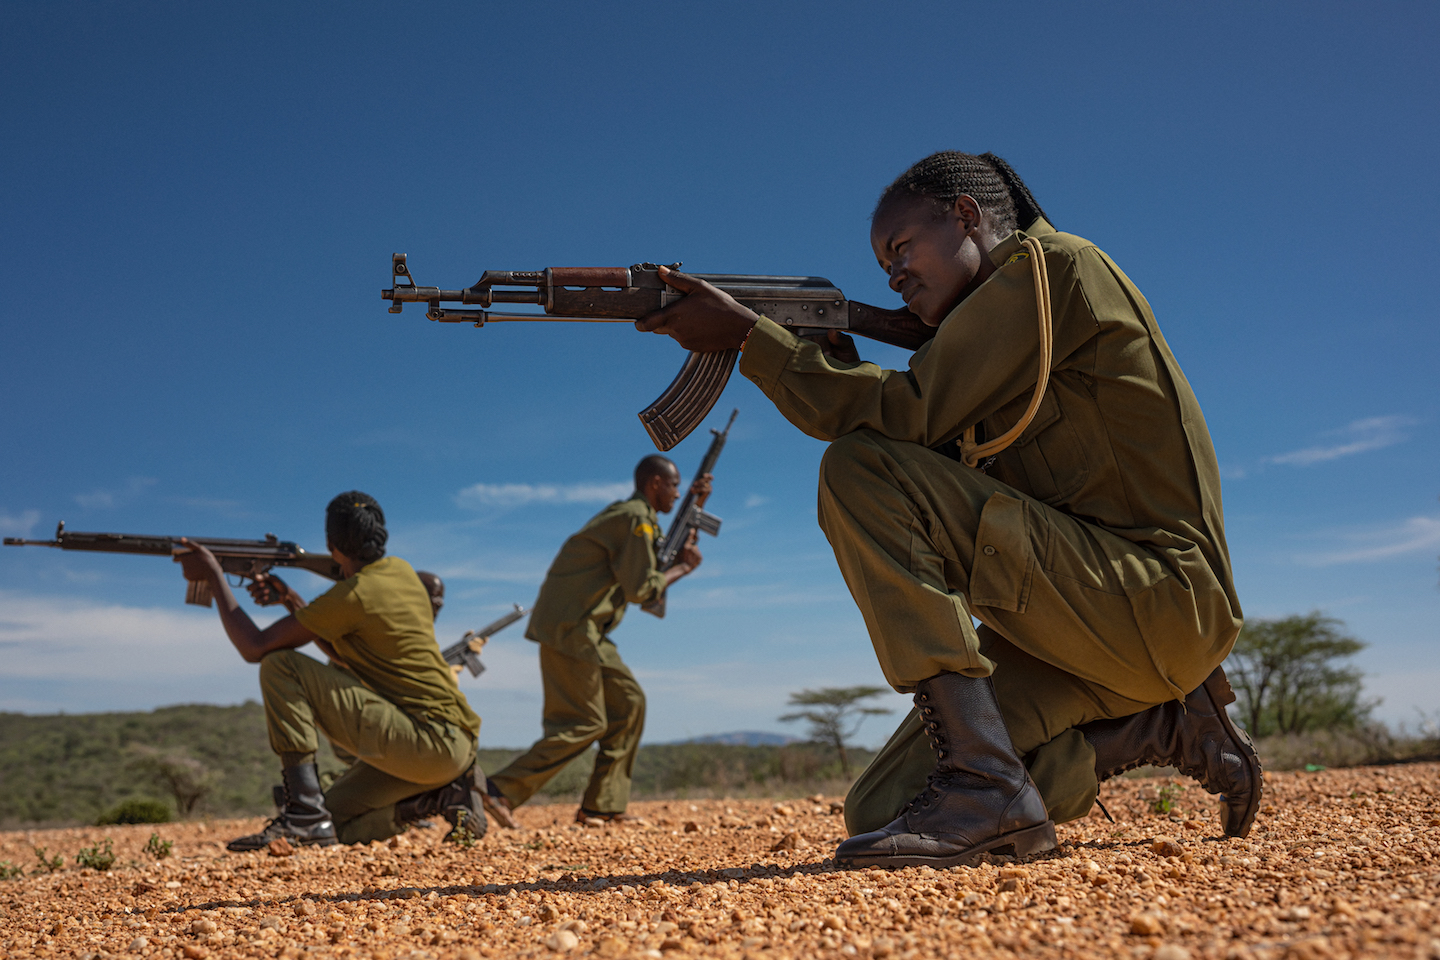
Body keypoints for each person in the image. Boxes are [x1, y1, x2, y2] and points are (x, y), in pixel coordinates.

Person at [635, 151, 1261, 869]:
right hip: (1081, 627)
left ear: (967, 215)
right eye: (883, 266)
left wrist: (750, 337)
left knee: (859, 467)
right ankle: (1161, 727)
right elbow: (920, 425)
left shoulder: (1055, 267)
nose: (894, 276)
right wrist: (825, 361)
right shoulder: (987, 343)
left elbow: (902, 416)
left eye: (901, 249)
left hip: (1158, 601)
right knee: (882, 810)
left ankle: (986, 783)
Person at [175, 491, 487, 851]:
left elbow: (254, 648)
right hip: (452, 747)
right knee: (333, 824)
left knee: (280, 664)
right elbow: (346, 652)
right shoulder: (401, 573)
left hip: (426, 742)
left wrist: (214, 574)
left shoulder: (352, 595)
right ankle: (438, 799)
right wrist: (291, 600)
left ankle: (304, 813)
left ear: (329, 542)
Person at [485, 456, 707, 827]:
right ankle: (498, 790)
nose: (677, 493)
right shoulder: (634, 519)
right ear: (655, 483)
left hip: (588, 630)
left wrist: (696, 506)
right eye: (674, 485)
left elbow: (649, 574)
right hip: (571, 627)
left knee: (629, 703)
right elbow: (641, 590)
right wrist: (684, 568)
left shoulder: (640, 521)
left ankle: (601, 806)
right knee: (583, 722)